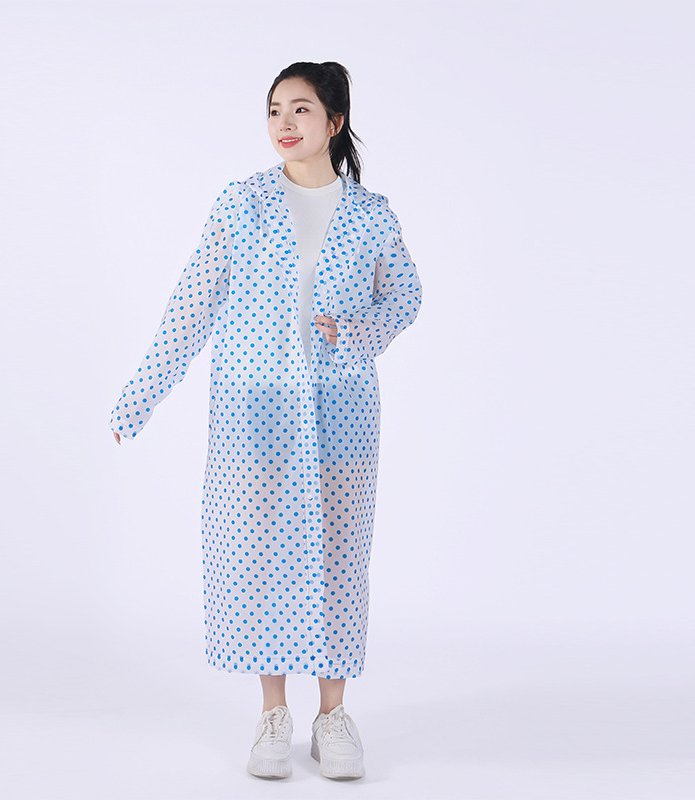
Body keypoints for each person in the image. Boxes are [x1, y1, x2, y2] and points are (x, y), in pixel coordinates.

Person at [109, 61, 422, 781]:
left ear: (334, 122)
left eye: (301, 109)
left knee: (339, 556)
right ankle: (273, 713)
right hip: (255, 411)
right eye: (275, 109)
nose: (284, 122)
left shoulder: (372, 215)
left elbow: (405, 297)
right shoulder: (241, 204)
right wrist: (139, 397)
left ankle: (333, 716)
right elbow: (190, 305)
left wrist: (359, 333)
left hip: (343, 411)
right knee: (258, 556)